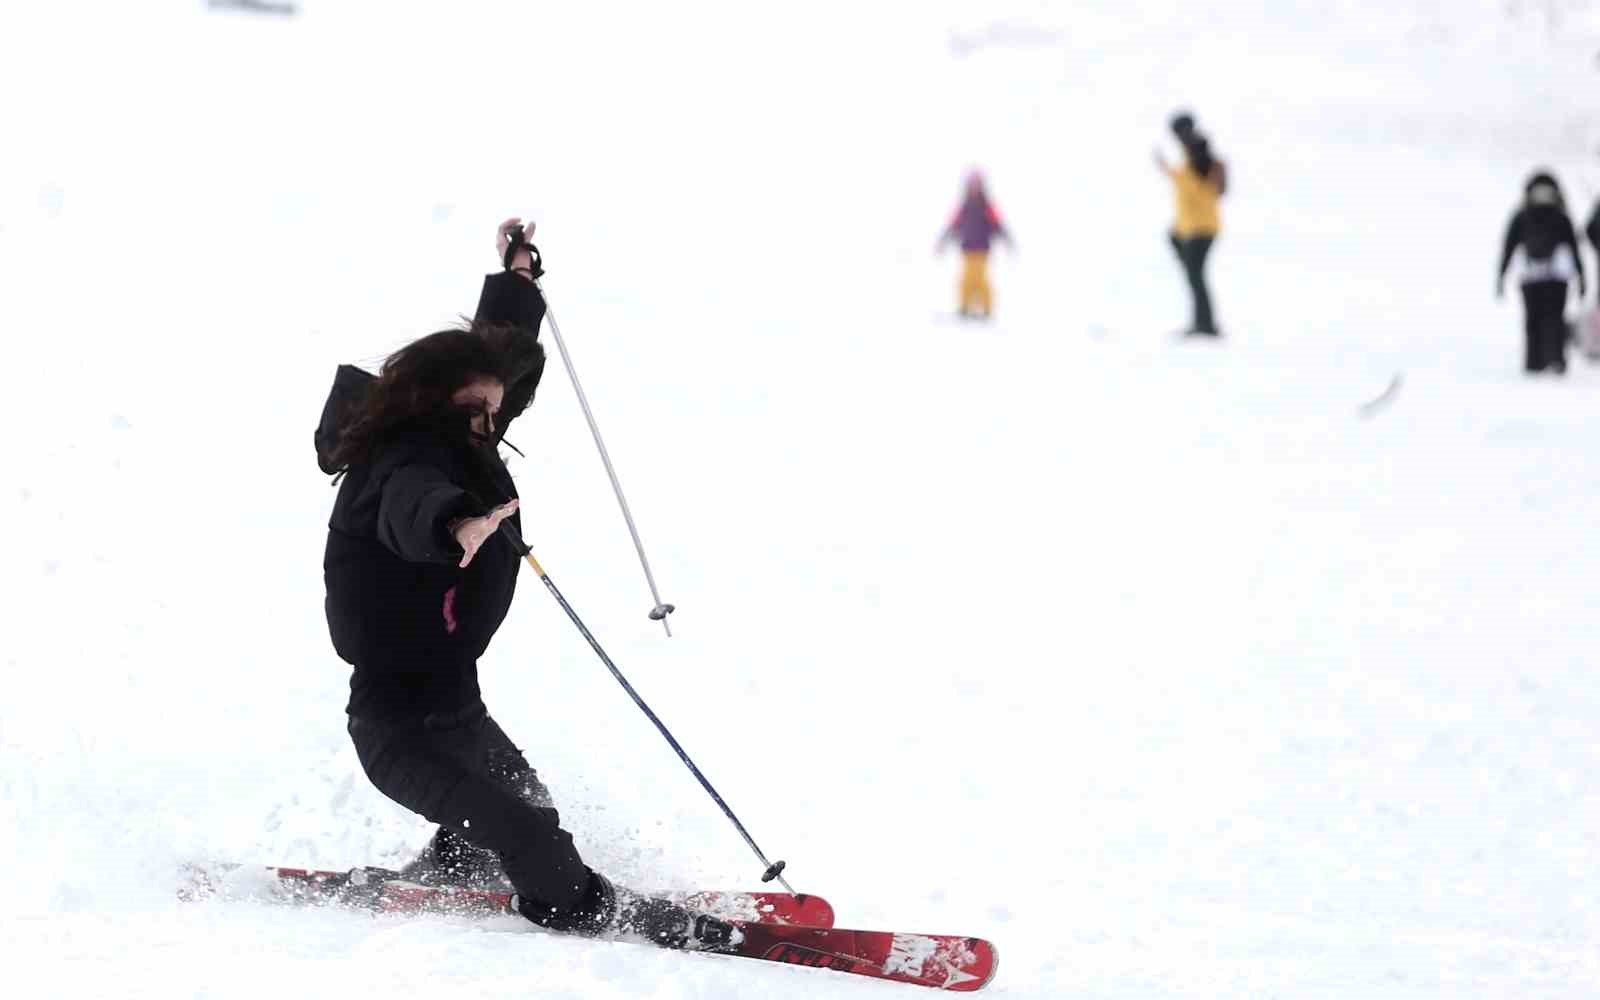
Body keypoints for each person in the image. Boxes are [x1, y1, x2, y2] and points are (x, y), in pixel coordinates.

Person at [315, 218, 738, 951]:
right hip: (396, 733)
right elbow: (407, 506)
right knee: (531, 832)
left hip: (459, 709)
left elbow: (493, 358)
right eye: (475, 410)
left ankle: (453, 864)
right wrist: (455, 528)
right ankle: (589, 910)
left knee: (530, 806)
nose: (491, 420)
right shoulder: (398, 466)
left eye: (492, 407)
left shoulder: (459, 428)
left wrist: (515, 280)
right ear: (431, 406)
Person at [1498, 171, 1585, 374]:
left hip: (1530, 276)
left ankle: (1533, 362)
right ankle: (1556, 359)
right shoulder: (1561, 216)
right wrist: (1582, 279)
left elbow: (1508, 246)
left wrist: (1501, 276)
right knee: (1555, 318)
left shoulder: (1521, 216)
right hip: (1557, 277)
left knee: (1532, 320)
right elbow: (1574, 248)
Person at [1155, 112, 1227, 337]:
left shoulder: (1198, 151)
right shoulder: (1191, 153)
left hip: (1201, 227)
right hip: (1189, 226)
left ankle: (1205, 325)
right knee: (1193, 274)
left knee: (1195, 275)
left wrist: (1169, 170)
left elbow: (1197, 186)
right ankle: (1202, 323)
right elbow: (1188, 182)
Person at [936, 170, 1012, 320]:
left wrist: (1007, 239)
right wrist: (943, 240)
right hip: (967, 248)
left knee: (980, 279)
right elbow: (953, 224)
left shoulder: (986, 205)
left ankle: (986, 308)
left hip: (982, 249)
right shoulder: (964, 206)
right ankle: (964, 307)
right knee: (965, 279)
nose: (974, 187)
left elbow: (998, 224)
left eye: (976, 184)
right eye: (971, 184)